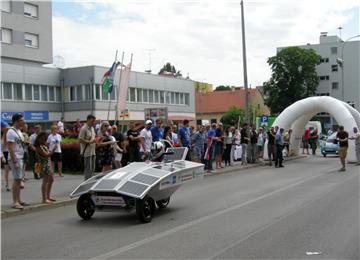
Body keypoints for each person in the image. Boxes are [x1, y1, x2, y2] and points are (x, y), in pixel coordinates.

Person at [6, 114, 29, 209]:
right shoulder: (11, 132)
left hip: (21, 157)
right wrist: (15, 161)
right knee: (16, 179)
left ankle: (19, 200)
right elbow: (10, 148)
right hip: (15, 158)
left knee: (19, 179)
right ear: (16, 121)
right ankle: (14, 202)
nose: (23, 122)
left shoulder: (19, 131)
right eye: (21, 120)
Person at [34, 132, 57, 204]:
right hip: (44, 166)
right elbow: (46, 155)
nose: (46, 140)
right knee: (45, 182)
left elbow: (48, 153)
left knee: (51, 180)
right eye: (44, 138)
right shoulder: (38, 147)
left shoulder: (43, 145)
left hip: (48, 164)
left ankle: (48, 196)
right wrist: (53, 150)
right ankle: (44, 199)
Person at [79, 114, 97, 180]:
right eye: (92, 121)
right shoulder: (84, 128)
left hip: (93, 152)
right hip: (87, 153)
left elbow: (93, 138)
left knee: (92, 170)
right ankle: (86, 185)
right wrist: (90, 142)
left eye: (94, 121)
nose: (93, 122)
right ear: (88, 120)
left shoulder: (92, 128)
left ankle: (90, 185)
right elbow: (80, 140)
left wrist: (97, 140)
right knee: (88, 170)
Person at [1, 122, 11, 191]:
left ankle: (9, 184)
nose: (7, 130)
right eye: (6, 129)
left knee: (9, 170)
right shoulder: (2, 137)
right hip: (4, 153)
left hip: (9, 152)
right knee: (6, 170)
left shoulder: (10, 135)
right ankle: (8, 184)